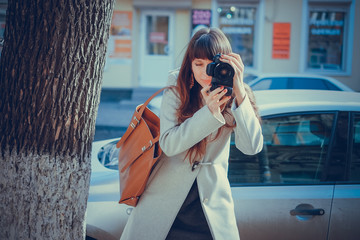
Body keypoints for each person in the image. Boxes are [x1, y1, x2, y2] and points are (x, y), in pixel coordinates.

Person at [120, 27, 263, 240]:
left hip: (210, 211)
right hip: (166, 209)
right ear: (190, 64)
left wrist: (240, 90)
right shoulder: (177, 90)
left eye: (212, 65)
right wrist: (209, 112)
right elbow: (169, 144)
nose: (206, 73)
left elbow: (251, 147)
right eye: (198, 64)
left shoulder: (237, 94)